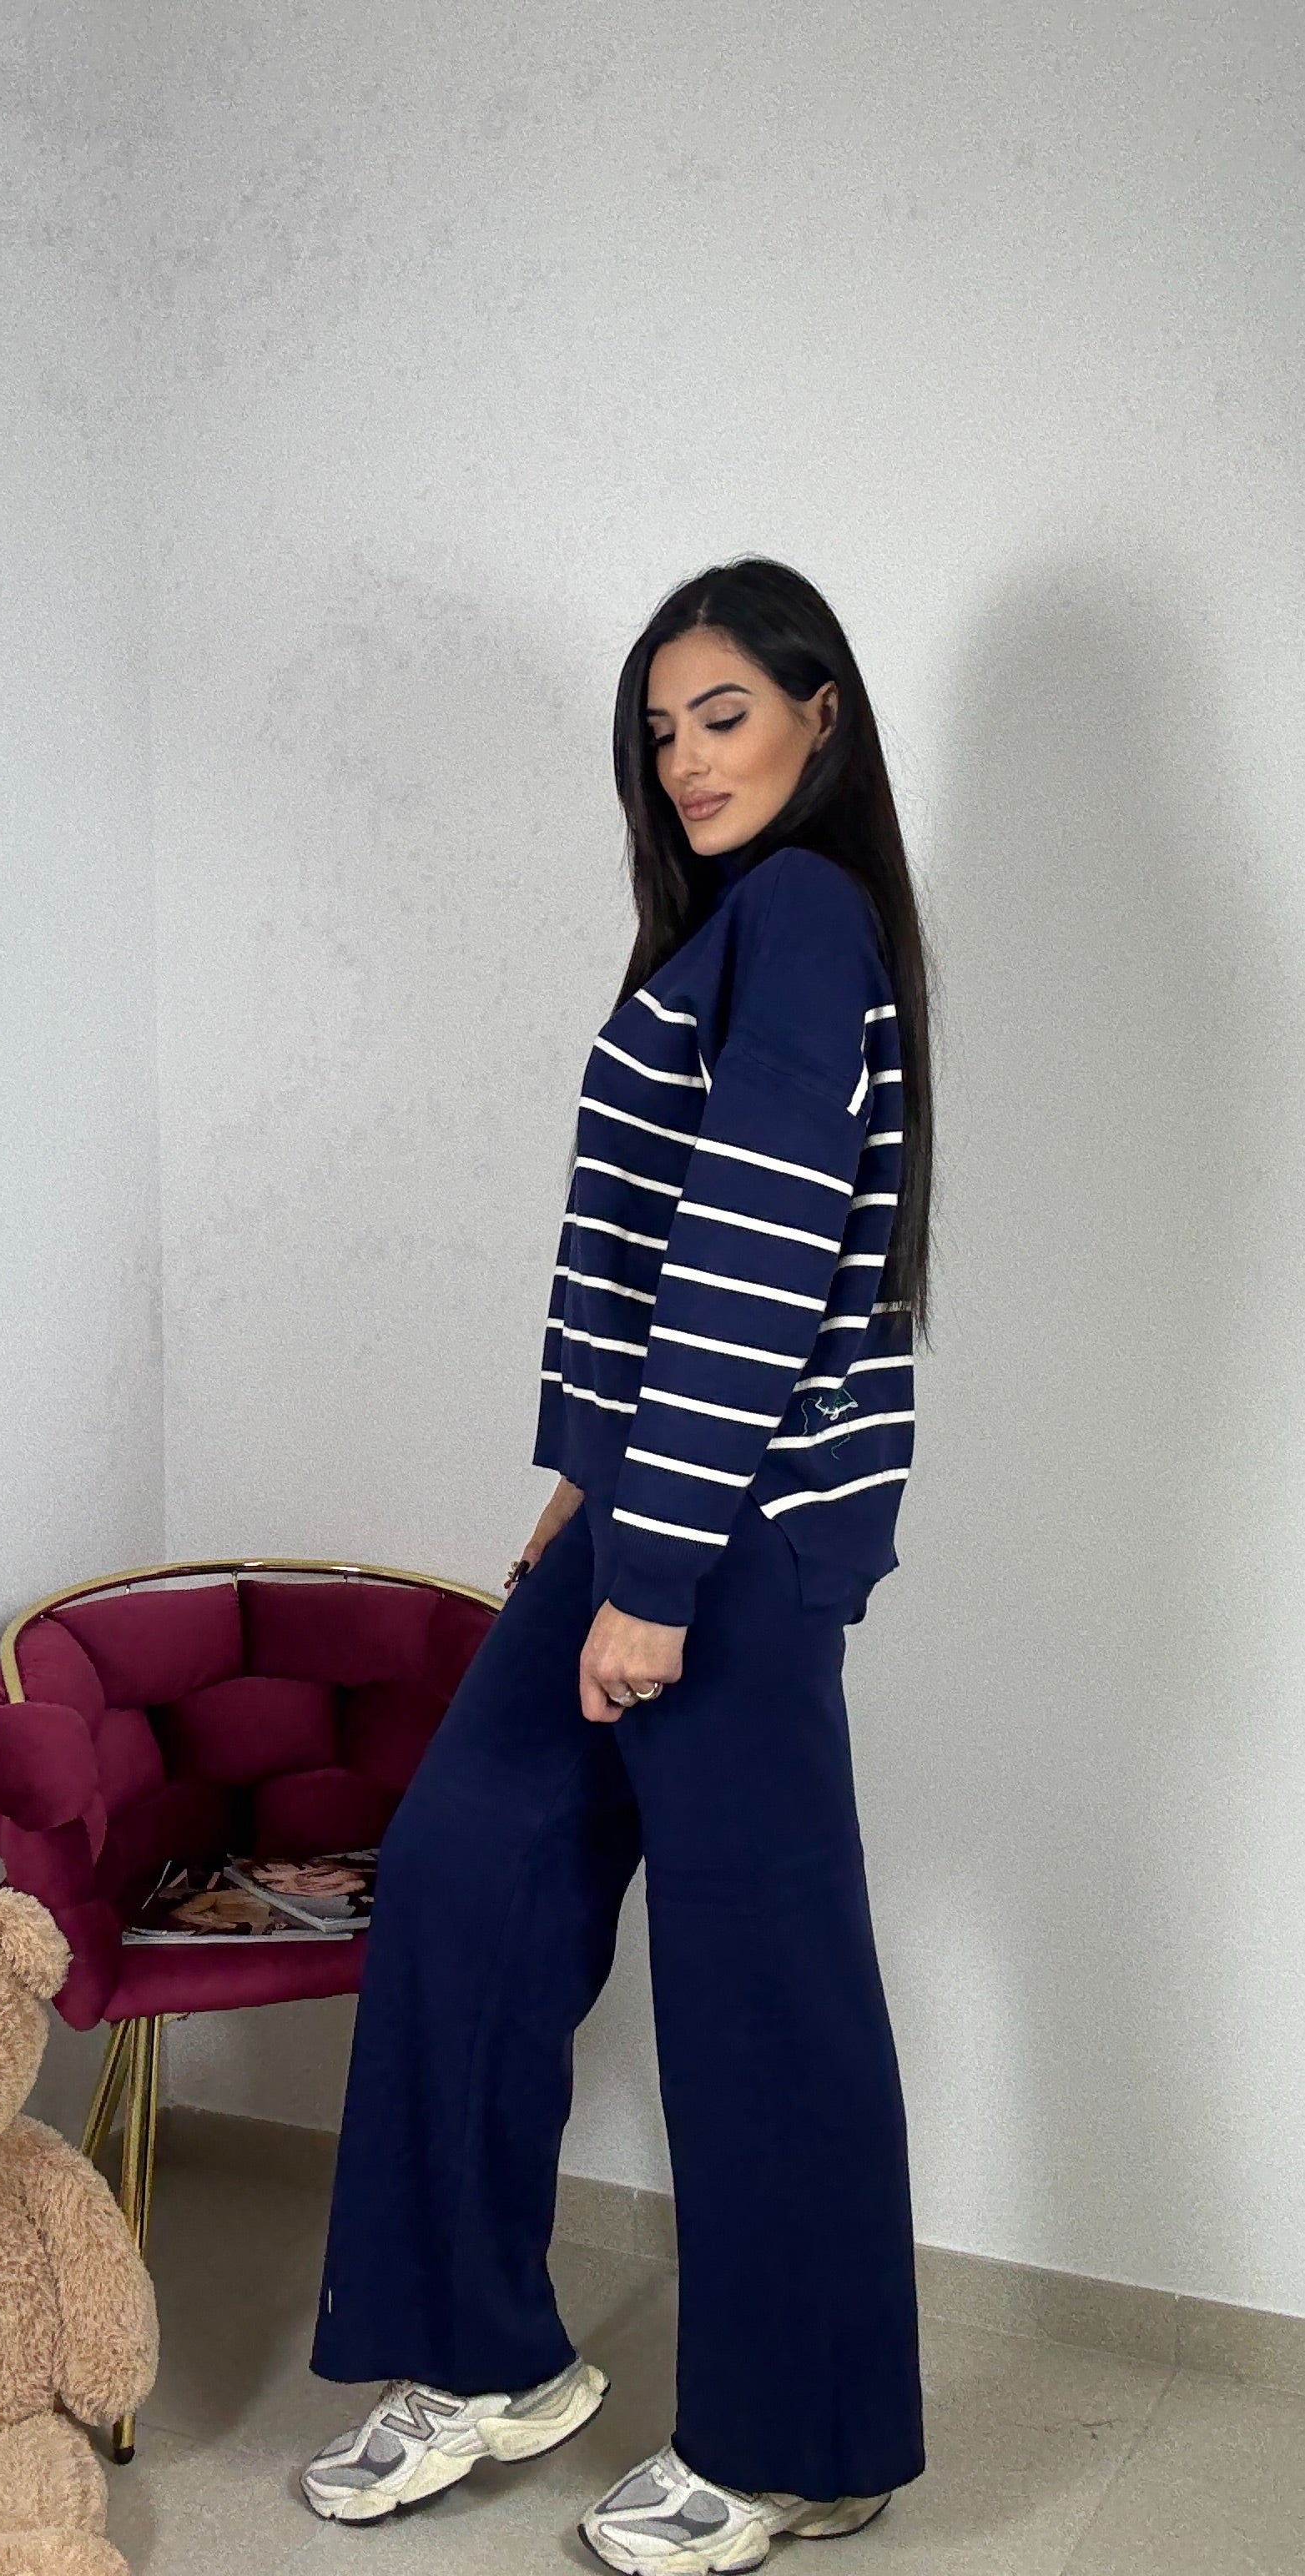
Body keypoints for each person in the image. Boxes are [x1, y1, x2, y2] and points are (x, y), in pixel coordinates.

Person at [300, 555, 937, 2573]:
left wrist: (652, 1571)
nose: (683, 759)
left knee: (758, 1983)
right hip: (644, 1512)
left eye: (721, 713)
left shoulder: (805, 915)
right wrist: (585, 1492)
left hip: (733, 1543)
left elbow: (755, 1256)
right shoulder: (729, 930)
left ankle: (798, 2439)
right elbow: (650, 1255)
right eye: (659, 731)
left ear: (820, 713)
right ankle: (482, 2354)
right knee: (467, 1868)